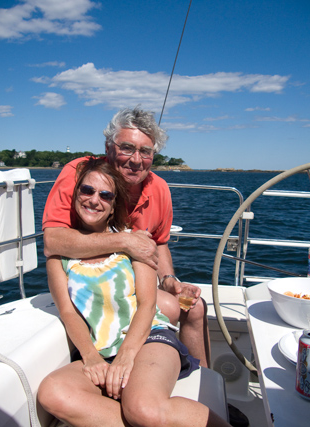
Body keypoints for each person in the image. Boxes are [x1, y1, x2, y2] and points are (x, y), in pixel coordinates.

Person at [38, 158, 229, 427]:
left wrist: (126, 356)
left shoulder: (134, 243)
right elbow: (68, 312)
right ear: (75, 193)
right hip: (102, 350)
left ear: (114, 204)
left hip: (149, 338)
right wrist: (92, 358)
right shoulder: (60, 256)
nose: (94, 200)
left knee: (144, 410)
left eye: (105, 195)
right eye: (87, 190)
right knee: (53, 393)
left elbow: (148, 305)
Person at [42, 106, 210, 368]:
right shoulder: (80, 175)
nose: (136, 159)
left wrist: (169, 280)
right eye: (127, 148)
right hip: (89, 282)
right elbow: (53, 241)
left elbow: (160, 242)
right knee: (168, 308)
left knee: (195, 306)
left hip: (134, 281)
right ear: (109, 148)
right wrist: (125, 241)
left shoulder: (160, 189)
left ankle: (204, 385)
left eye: (145, 151)